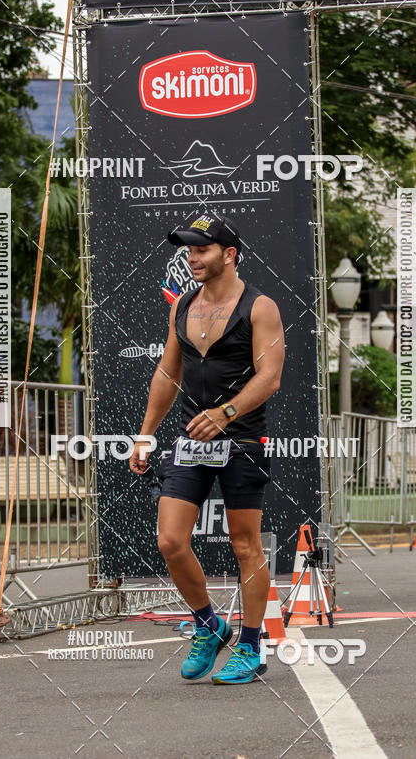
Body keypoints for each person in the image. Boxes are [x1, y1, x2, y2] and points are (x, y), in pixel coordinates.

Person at [128, 212, 285, 684]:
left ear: (229, 254)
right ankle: (208, 624)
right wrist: (145, 433)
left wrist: (226, 414)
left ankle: (251, 647)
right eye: (189, 250)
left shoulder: (260, 307)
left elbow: (270, 377)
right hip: (190, 439)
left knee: (244, 544)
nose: (193, 257)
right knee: (170, 541)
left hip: (241, 438)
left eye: (202, 249)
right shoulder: (181, 307)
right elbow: (167, 373)